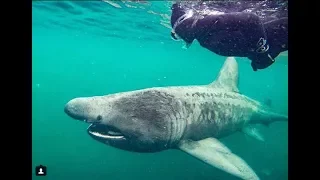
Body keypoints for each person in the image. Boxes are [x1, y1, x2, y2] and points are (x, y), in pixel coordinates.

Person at [170, 0, 288, 71]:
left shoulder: (204, 25)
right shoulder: (203, 36)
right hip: (280, 37)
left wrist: (262, 53)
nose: (180, 39)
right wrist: (258, 55)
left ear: (182, 27)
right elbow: (242, 42)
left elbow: (252, 19)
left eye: (176, 36)